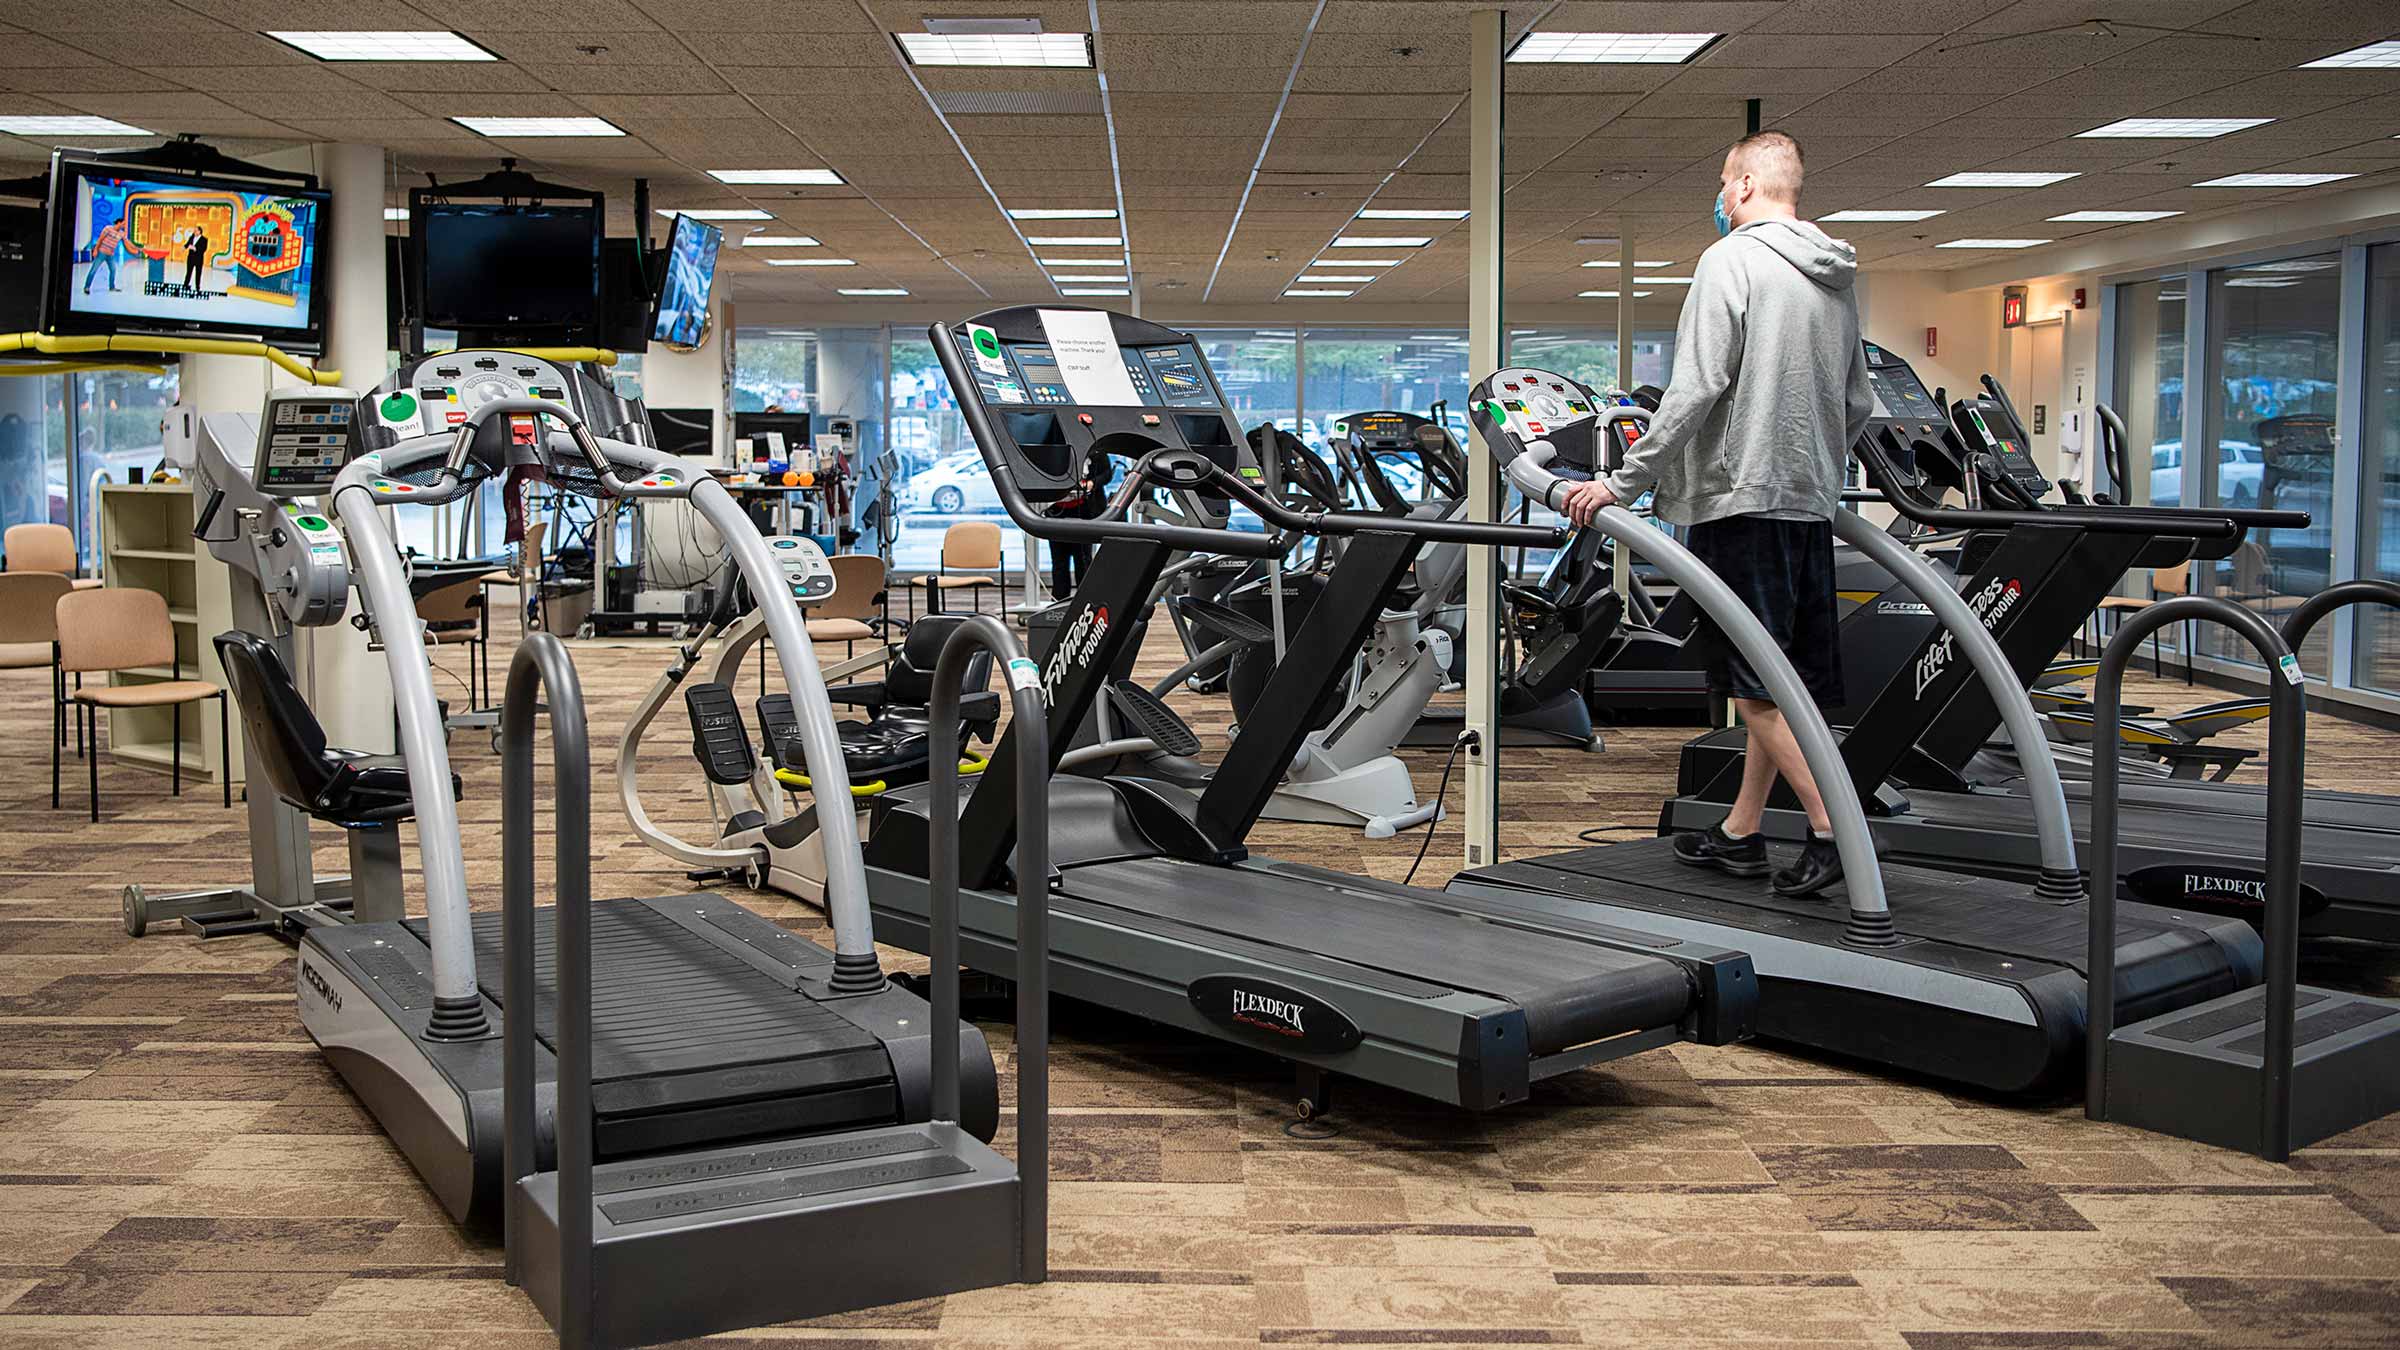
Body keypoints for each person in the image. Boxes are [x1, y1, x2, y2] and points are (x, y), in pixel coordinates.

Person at [1558, 130, 1871, 898]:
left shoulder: (1729, 260)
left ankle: (1838, 829)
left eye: (1722, 182)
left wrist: (1620, 486)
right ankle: (1742, 830)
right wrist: (1817, 467)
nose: (1719, 197)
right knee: (1777, 679)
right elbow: (1858, 399)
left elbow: (1695, 388)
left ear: (1744, 184)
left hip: (1739, 499)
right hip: (1804, 500)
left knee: (1754, 687)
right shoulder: (1835, 274)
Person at [1047, 447, 1114, 597]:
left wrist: (1091, 483)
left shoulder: (1096, 450)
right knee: (1059, 561)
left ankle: (1084, 599)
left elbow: (1107, 474)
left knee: (1083, 560)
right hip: (1057, 511)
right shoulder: (1054, 452)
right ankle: (1058, 600)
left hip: (1085, 510)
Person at [82, 216, 128, 294]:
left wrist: (139, 248)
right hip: (102, 253)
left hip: (110, 255)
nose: (124, 226)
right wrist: (96, 250)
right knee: (94, 270)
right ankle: (87, 287)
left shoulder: (121, 233)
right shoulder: (108, 228)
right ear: (119, 223)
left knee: (113, 270)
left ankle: (112, 287)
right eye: (123, 224)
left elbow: (128, 242)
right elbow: (100, 239)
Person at [181, 227, 208, 292]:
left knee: (198, 273)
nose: (194, 232)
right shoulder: (191, 237)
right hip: (190, 258)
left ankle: (197, 287)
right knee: (188, 272)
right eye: (194, 231)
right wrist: (184, 247)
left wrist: (195, 248)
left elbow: (203, 249)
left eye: (196, 231)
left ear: (200, 231)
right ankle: (185, 285)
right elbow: (188, 244)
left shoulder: (204, 239)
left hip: (198, 259)